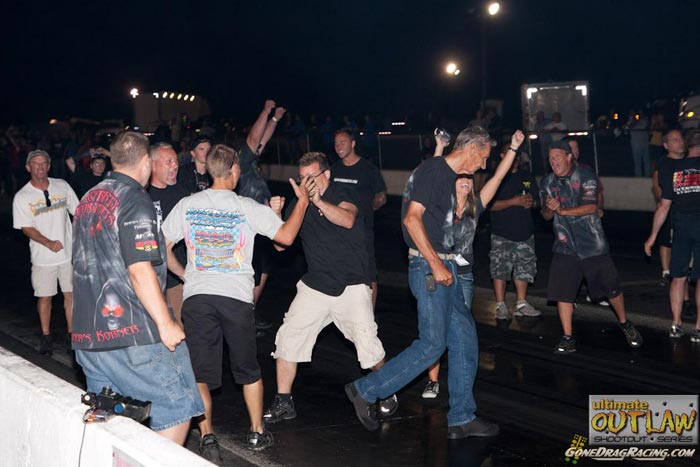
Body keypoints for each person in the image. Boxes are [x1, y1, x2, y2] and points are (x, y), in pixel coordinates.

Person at [345, 126, 524, 439]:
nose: (483, 165)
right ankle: (366, 390)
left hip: (447, 268)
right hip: (430, 268)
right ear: (471, 148)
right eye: (483, 157)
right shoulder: (435, 171)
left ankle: (462, 417)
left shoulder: (445, 175)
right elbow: (411, 219)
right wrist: (436, 264)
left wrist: (513, 150)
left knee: (465, 341)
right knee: (432, 345)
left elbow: (492, 183)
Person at [162, 144, 311, 458]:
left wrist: (184, 273)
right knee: (248, 369)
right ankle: (257, 432)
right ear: (232, 171)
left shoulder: (188, 204)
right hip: (235, 298)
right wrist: (302, 202)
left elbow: (162, 246)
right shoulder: (246, 206)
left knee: (200, 373)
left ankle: (207, 436)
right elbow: (285, 238)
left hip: (198, 297)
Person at [71, 131, 204, 445]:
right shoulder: (134, 198)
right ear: (146, 162)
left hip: (88, 336)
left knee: (111, 416)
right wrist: (166, 323)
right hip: (132, 333)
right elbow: (139, 268)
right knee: (177, 408)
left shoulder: (89, 198)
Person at [264, 152, 397, 424]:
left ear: (326, 175)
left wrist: (317, 201)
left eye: (311, 177)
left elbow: (347, 219)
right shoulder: (300, 202)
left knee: (368, 345)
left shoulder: (344, 193)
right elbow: (281, 245)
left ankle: (387, 389)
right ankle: (284, 401)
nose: (306, 183)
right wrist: (275, 214)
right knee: (288, 337)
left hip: (351, 285)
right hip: (316, 285)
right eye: (302, 178)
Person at [539, 140, 643, 353]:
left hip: (592, 245)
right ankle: (568, 337)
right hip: (564, 245)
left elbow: (591, 207)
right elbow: (545, 215)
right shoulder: (547, 182)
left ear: (569, 156)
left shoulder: (585, 175)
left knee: (611, 289)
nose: (553, 161)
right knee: (563, 293)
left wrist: (562, 211)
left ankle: (625, 323)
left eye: (557, 156)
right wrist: (549, 209)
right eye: (550, 158)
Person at [13, 149, 79, 355]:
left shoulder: (62, 185)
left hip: (67, 254)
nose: (40, 167)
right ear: (28, 167)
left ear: (49, 166)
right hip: (42, 257)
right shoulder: (22, 196)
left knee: (70, 294)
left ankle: (72, 335)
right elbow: (26, 228)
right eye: (36, 164)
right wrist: (48, 243)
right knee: (45, 297)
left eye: (44, 163)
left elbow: (78, 211)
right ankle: (46, 336)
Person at [236, 100, 287, 333]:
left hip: (261, 228)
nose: (258, 148)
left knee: (264, 271)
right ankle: (244, 319)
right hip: (249, 229)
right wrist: (266, 111)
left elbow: (261, 142)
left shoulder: (252, 162)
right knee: (252, 275)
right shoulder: (242, 163)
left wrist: (275, 118)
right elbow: (255, 139)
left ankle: (250, 314)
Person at [644, 129, 700, 341]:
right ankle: (698, 328)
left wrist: (652, 236)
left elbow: (663, 205)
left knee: (678, 276)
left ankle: (676, 324)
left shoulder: (677, 169)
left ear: (687, 145)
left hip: (681, 225)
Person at [332, 128, 387, 308]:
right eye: (336, 143)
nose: (338, 147)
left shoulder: (368, 169)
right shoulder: (334, 169)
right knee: (340, 272)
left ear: (353, 143)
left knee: (368, 274)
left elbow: (381, 197)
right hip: (338, 233)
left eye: (343, 142)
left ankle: (369, 316)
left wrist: (366, 210)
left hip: (362, 233)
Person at [488, 146, 541, 320]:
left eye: (517, 155)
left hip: (525, 232)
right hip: (502, 233)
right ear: (503, 155)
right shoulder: (497, 177)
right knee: (500, 269)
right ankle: (501, 305)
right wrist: (512, 202)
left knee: (525, 268)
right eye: (511, 154)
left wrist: (531, 202)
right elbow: (487, 205)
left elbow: (537, 201)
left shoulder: (527, 176)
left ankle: (521, 304)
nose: (515, 158)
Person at [146, 142, 189, 324]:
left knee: (177, 325)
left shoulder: (182, 194)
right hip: (148, 275)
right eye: (169, 161)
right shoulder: (141, 195)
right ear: (153, 164)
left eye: (176, 161)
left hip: (176, 274)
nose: (175, 165)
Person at [651, 129, 685, 286]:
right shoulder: (663, 163)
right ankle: (666, 271)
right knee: (666, 240)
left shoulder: (689, 160)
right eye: (675, 140)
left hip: (686, 211)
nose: (680, 142)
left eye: (681, 139)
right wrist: (664, 201)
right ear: (666, 145)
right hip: (669, 207)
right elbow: (657, 187)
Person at [625, 110, 650, 177]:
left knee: (646, 162)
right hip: (635, 145)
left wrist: (637, 120)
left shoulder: (644, 120)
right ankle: (638, 177)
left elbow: (646, 125)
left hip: (644, 144)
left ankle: (647, 176)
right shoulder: (630, 122)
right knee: (637, 163)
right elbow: (626, 129)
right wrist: (633, 121)